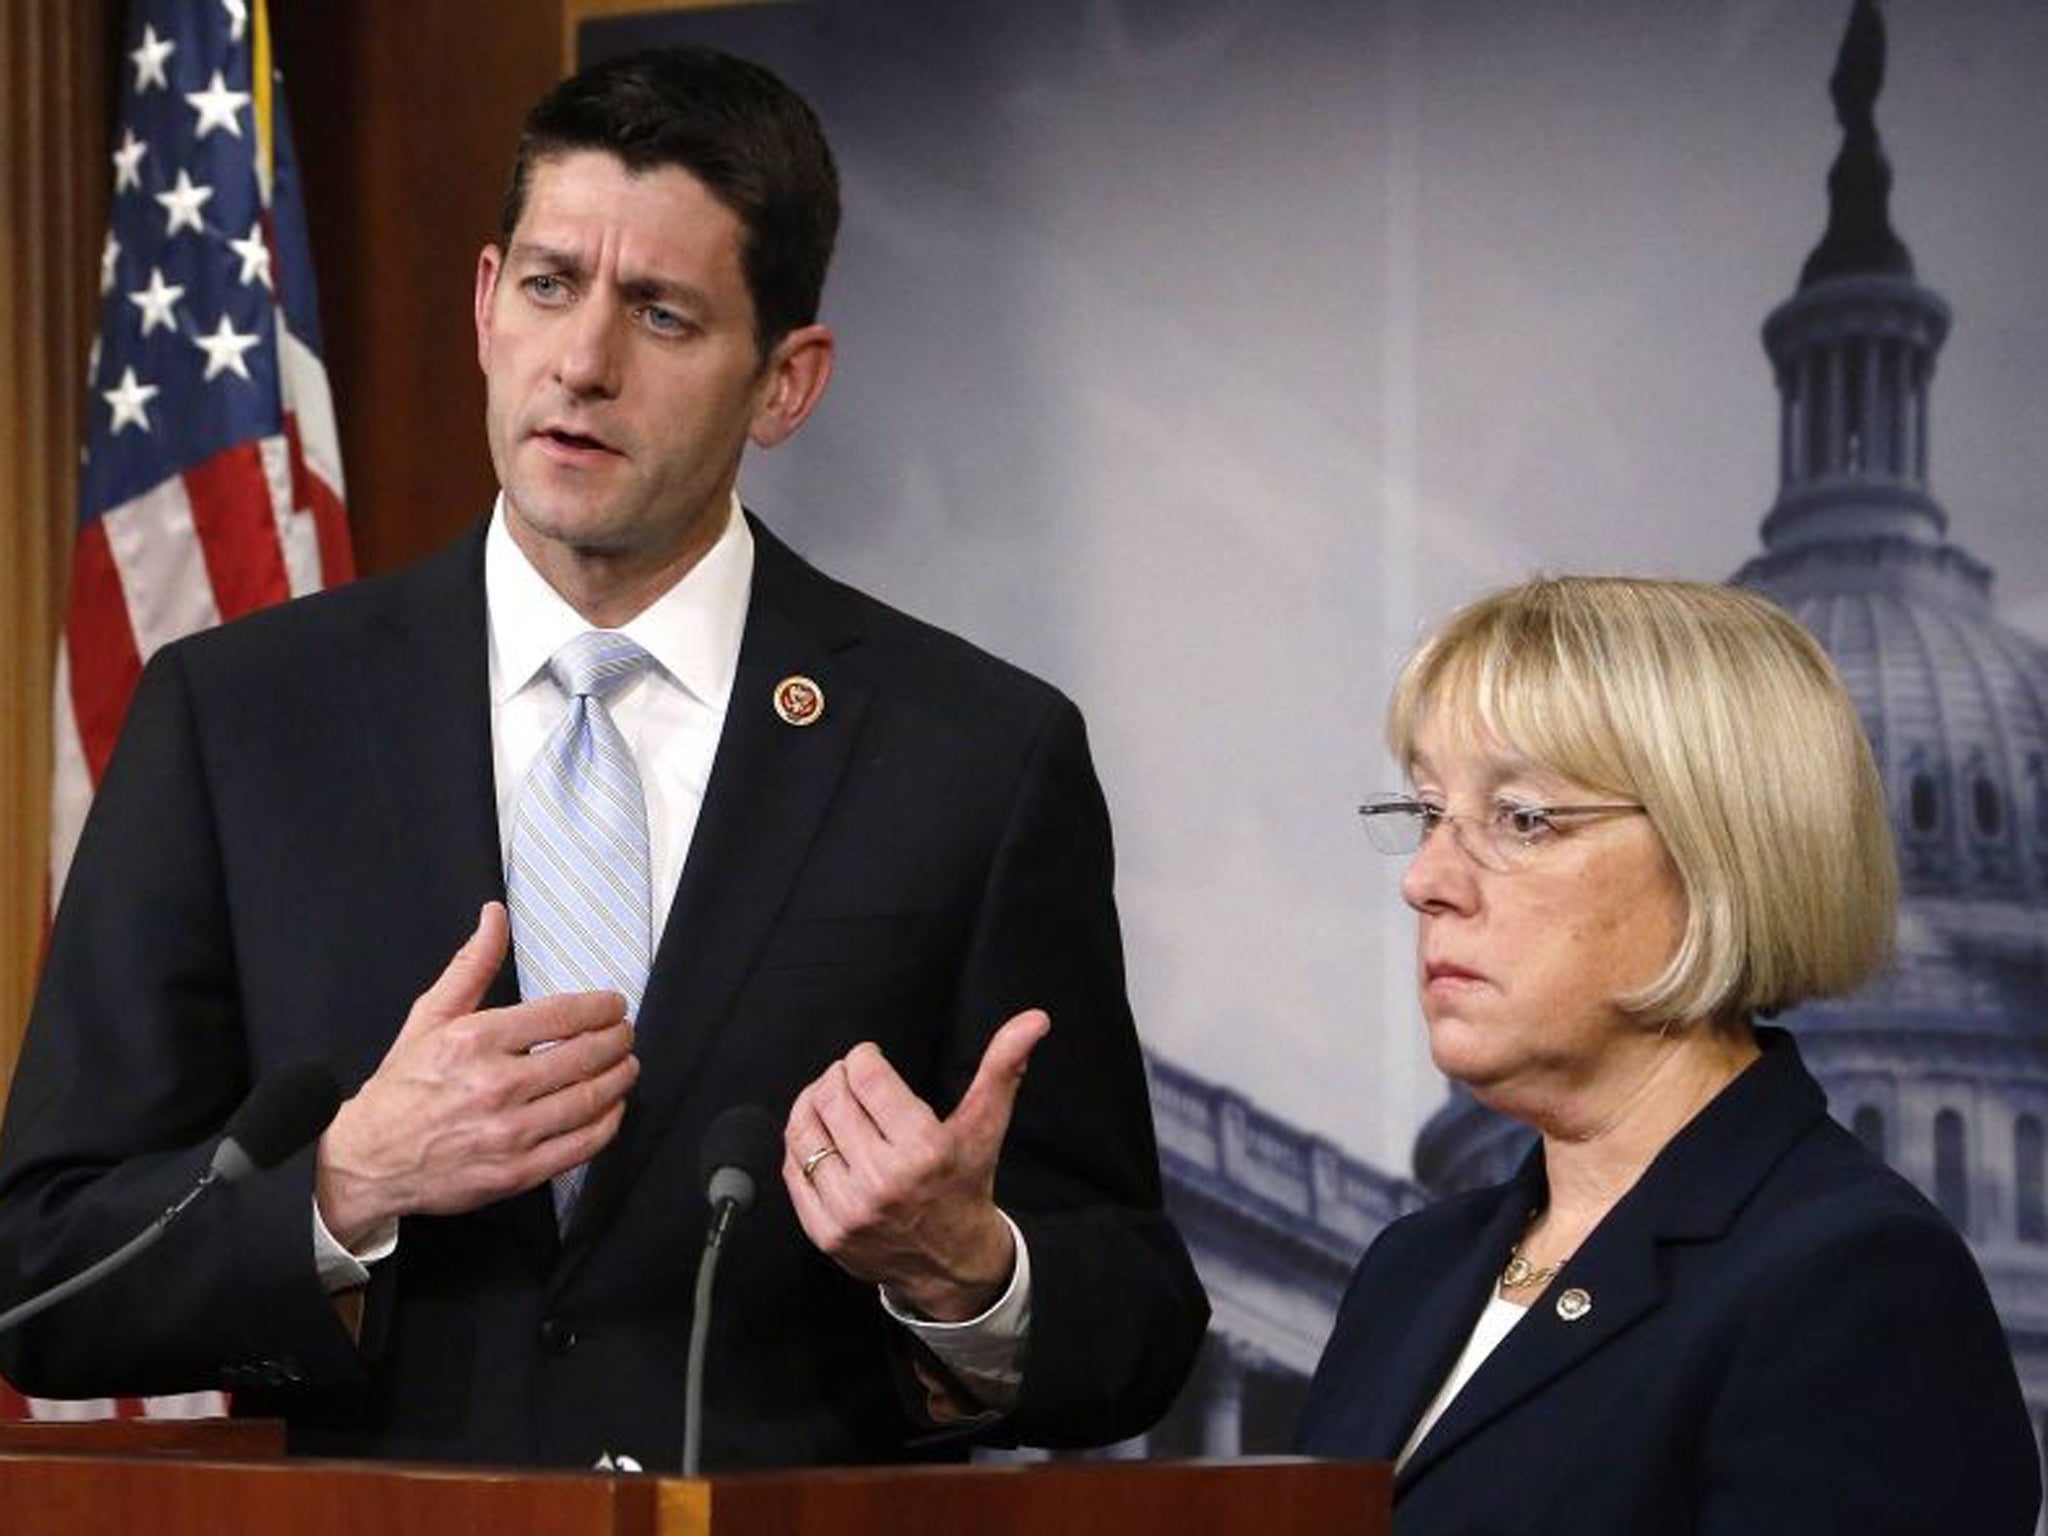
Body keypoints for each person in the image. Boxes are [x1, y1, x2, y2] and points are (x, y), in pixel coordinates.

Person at [0, 46, 1205, 1470]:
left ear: (786, 382)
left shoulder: (972, 758)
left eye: (663, 313)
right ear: (484, 302)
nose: (582, 362)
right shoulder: (238, 720)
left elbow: (1133, 1316)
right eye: (552, 286)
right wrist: (345, 1185)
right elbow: (45, 1274)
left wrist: (965, 1268)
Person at [1295, 578, 2040, 1533]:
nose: (1428, 880)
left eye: (1522, 818)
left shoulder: (1854, 1286)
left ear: (1721, 855)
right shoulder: (1411, 1270)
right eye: (1429, 812)